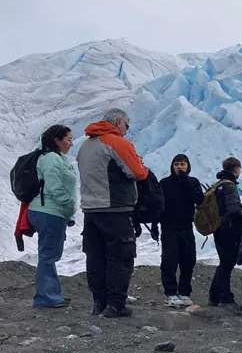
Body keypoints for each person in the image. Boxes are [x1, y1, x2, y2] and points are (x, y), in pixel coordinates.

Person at [77, 108, 149, 318]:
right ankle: (116, 304)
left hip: (91, 210)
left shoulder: (86, 145)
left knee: (96, 257)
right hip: (115, 209)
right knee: (120, 256)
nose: (127, 130)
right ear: (118, 122)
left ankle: (99, 303)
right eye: (127, 125)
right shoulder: (116, 142)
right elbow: (138, 172)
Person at [27, 125, 77, 309]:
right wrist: (69, 204)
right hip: (49, 212)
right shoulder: (52, 159)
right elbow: (54, 187)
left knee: (49, 254)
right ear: (57, 140)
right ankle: (46, 297)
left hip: (49, 211)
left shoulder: (53, 158)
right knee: (48, 255)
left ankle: (52, 294)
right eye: (69, 139)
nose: (71, 143)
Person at [156, 154, 204, 308]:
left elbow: (199, 199)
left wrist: (185, 181)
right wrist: (154, 225)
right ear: (172, 166)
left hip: (186, 227)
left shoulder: (193, 182)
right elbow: (157, 204)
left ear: (188, 166)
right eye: (176, 164)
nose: (179, 167)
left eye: (183, 164)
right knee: (170, 261)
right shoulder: (164, 183)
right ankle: (170, 293)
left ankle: (184, 292)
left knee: (188, 260)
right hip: (169, 227)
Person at [208, 157, 242, 308]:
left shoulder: (219, 185)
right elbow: (233, 210)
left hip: (219, 228)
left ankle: (215, 296)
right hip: (229, 229)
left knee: (224, 262)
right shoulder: (229, 186)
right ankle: (224, 297)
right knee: (227, 263)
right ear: (236, 168)